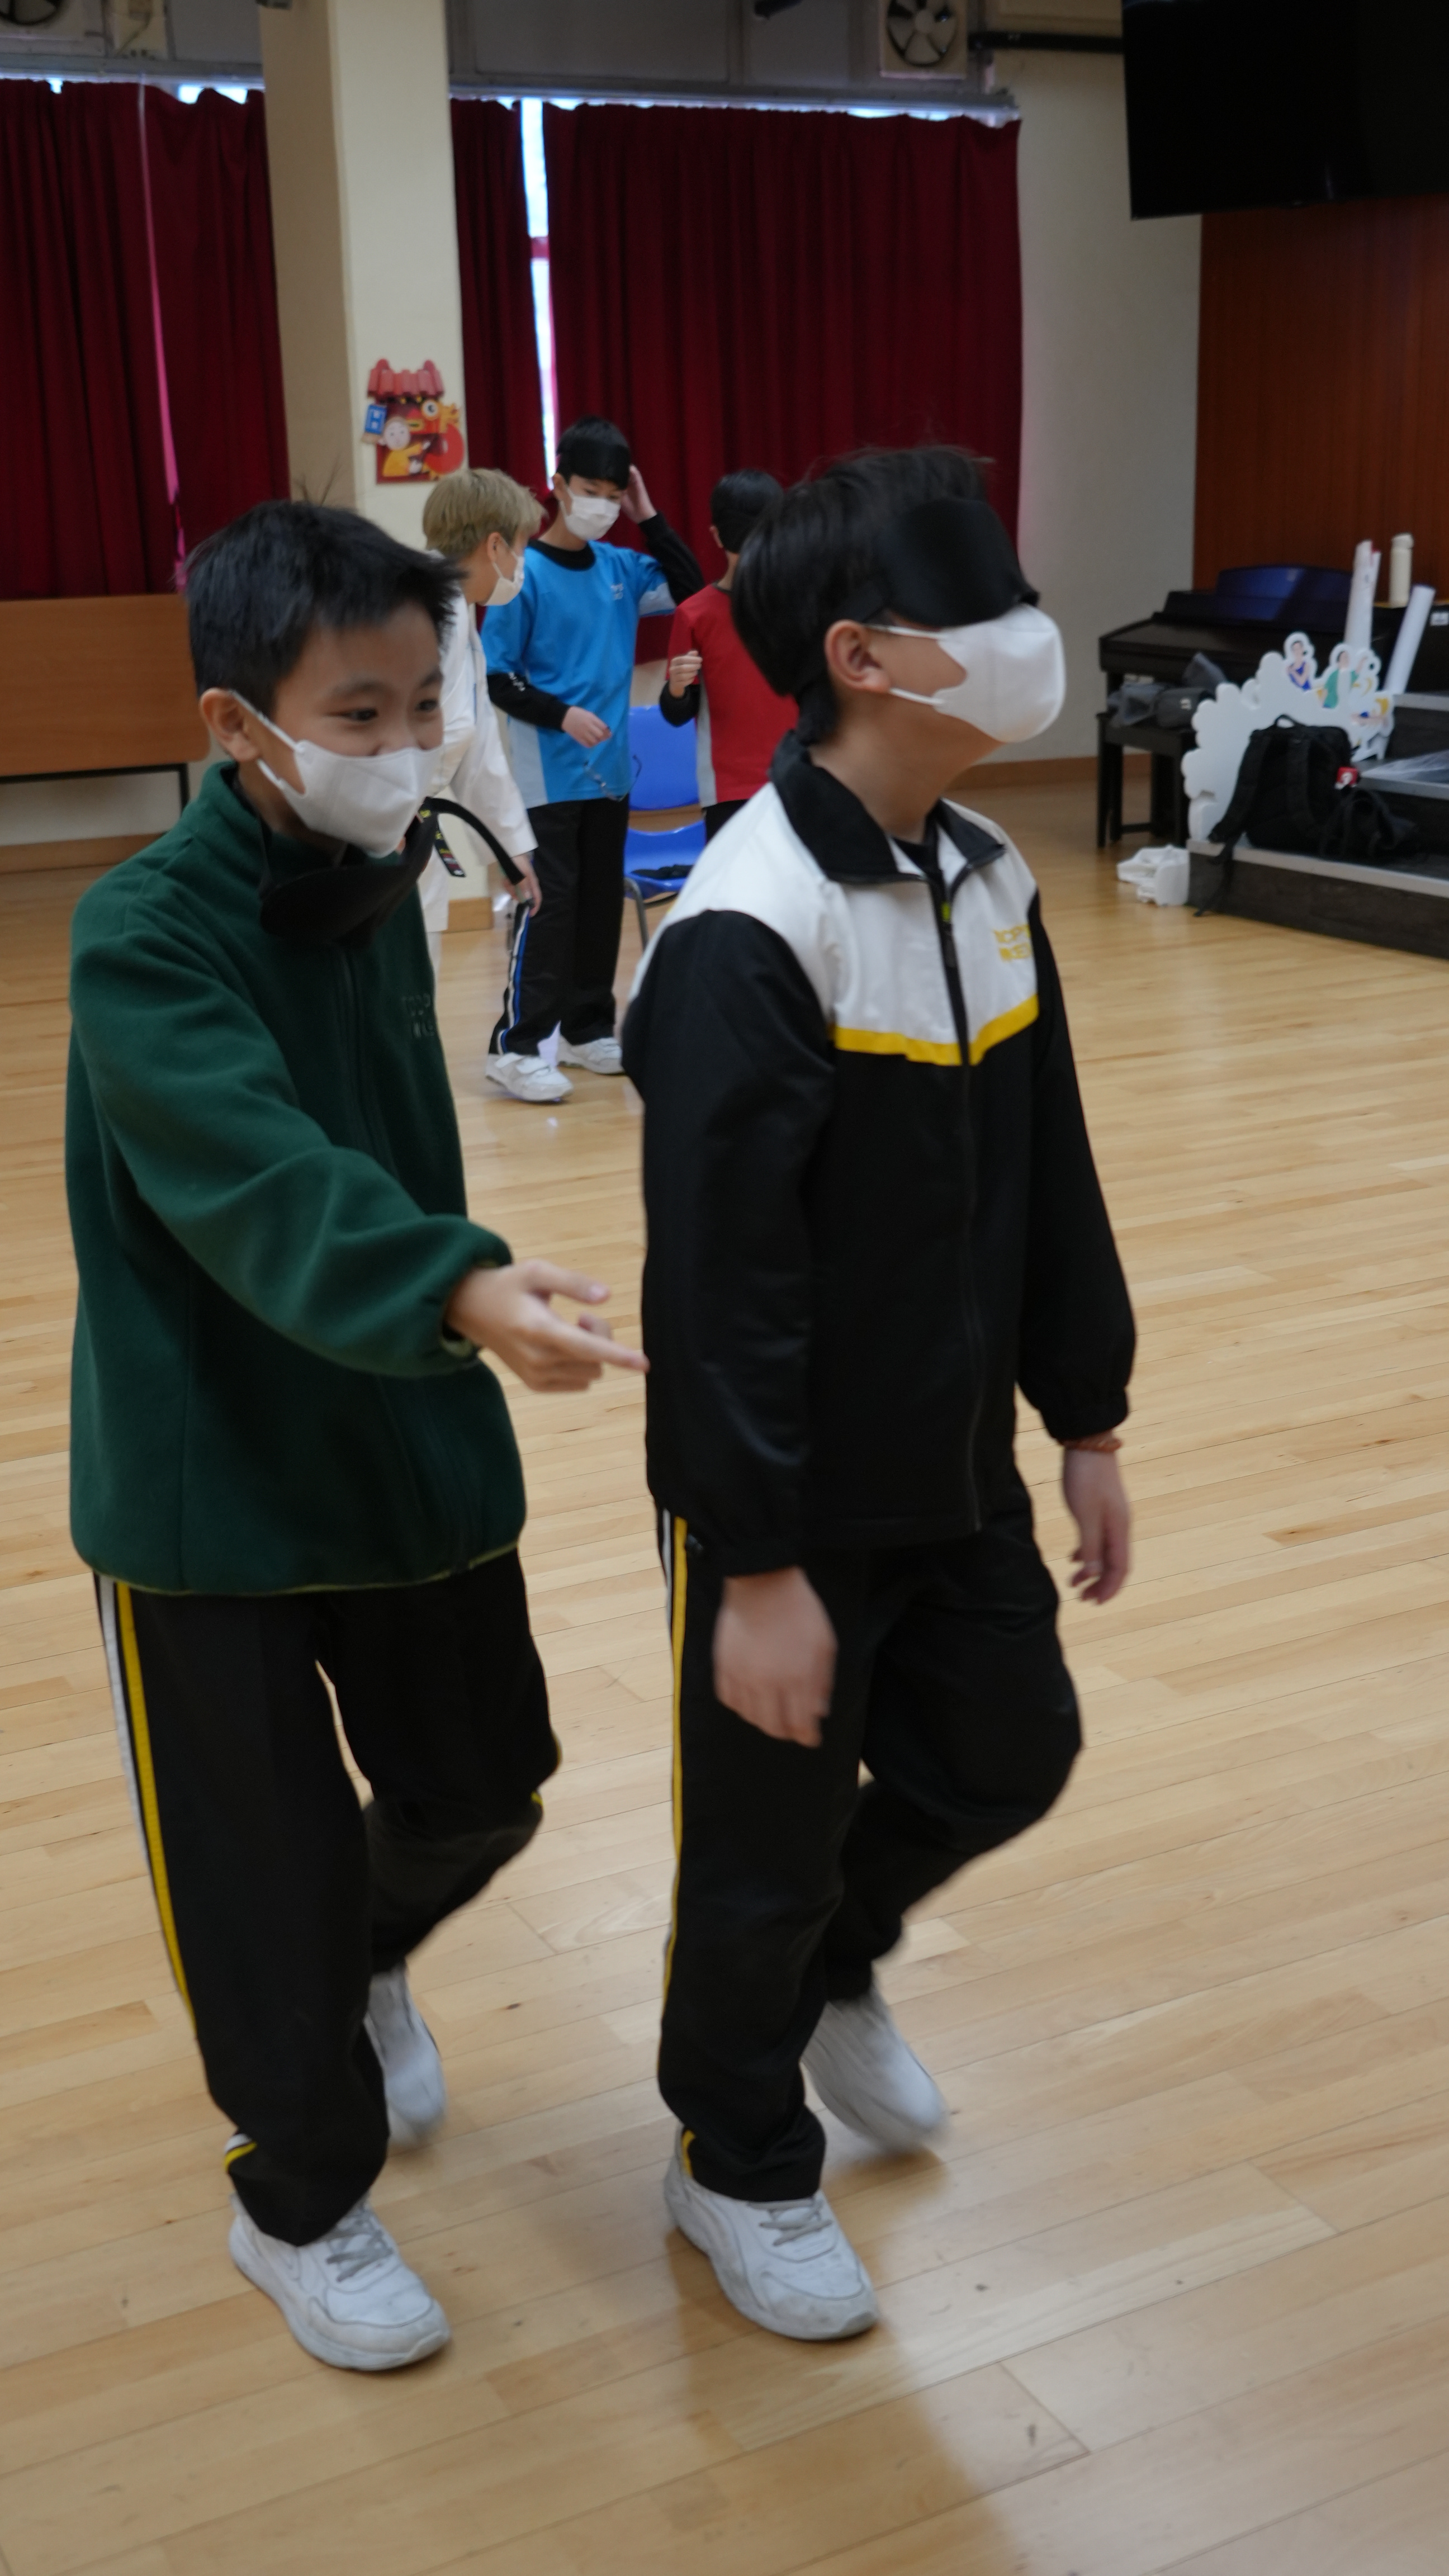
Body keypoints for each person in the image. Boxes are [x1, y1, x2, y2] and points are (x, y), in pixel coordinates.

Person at [65, 500, 646, 2373]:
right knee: (262, 1882)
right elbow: (256, 1170)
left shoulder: (383, 876)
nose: (402, 750)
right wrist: (459, 1284)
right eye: (359, 715)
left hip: (399, 1432)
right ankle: (300, 2202)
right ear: (239, 724)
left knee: (486, 1782)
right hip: (214, 1483)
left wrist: (447, 1303)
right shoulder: (141, 934)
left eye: (420, 707)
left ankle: (369, 1956)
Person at [621, 447, 1135, 2344]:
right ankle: (735, 2155)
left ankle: (835, 1970)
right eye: (982, 606)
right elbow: (720, 1285)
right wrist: (756, 1562)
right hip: (789, 1499)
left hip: (956, 1457)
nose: (1026, 634)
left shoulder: (987, 871)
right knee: (757, 1855)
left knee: (1009, 1749)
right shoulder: (749, 928)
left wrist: (1086, 1419)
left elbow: (1049, 1164)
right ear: (860, 656)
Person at [484, 414, 702, 1104]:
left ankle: (586, 1028)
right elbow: (499, 678)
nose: (602, 505)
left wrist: (649, 515)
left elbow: (693, 590)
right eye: (590, 491)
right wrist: (562, 714)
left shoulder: (622, 569)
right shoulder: (522, 575)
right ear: (558, 485)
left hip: (610, 776)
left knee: (600, 904)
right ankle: (517, 1046)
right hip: (547, 776)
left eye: (613, 494)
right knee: (550, 906)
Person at [417, 465, 545, 982]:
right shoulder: (420, 609)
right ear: (494, 546)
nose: (520, 564)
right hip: (378, 829)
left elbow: (476, 746)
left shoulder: (454, 609)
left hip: (406, 826)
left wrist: (510, 851)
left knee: (416, 984)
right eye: (520, 548)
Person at [658, 467, 795, 837]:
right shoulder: (694, 615)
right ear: (718, 536)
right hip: (728, 789)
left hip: (798, 779)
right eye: (741, 540)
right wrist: (677, 689)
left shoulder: (800, 606)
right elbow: (677, 712)